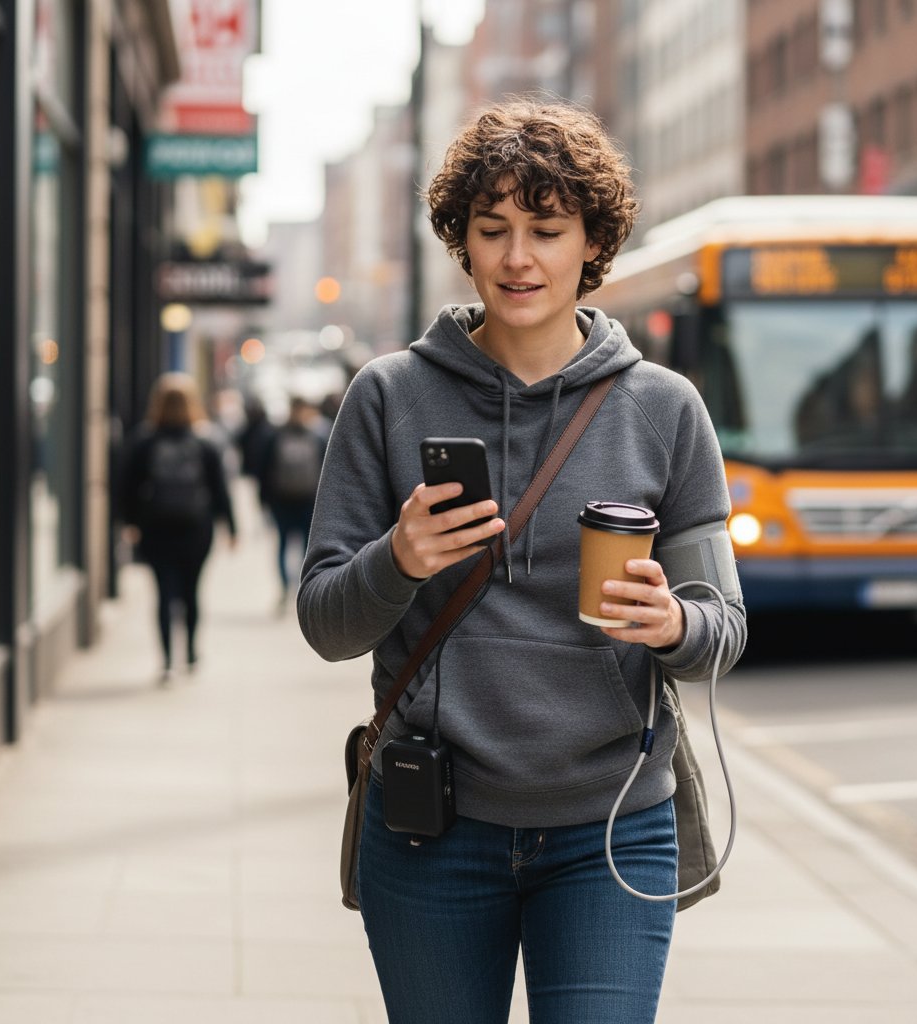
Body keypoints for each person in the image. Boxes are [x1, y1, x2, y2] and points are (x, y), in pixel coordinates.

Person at [297, 97, 747, 1024]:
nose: (517, 258)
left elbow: (722, 630)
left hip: (610, 829)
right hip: (432, 826)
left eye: (546, 230)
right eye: (492, 229)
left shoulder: (665, 410)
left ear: (592, 241)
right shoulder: (387, 398)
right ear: (460, 240)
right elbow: (325, 623)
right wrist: (400, 558)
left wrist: (673, 623)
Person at [119, 372, 237, 683]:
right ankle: (192, 653)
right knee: (192, 592)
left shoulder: (144, 441)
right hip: (196, 529)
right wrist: (232, 527)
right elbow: (219, 488)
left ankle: (167, 660)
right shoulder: (205, 441)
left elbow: (127, 486)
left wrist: (130, 522)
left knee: (163, 593)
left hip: (156, 528)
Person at [258, 395, 327, 606]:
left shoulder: (275, 436)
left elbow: (265, 470)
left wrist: (264, 501)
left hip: (282, 501)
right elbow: (327, 472)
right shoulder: (318, 436)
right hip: (309, 501)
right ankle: (304, 589)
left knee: (282, 544)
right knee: (308, 549)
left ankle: (285, 588)